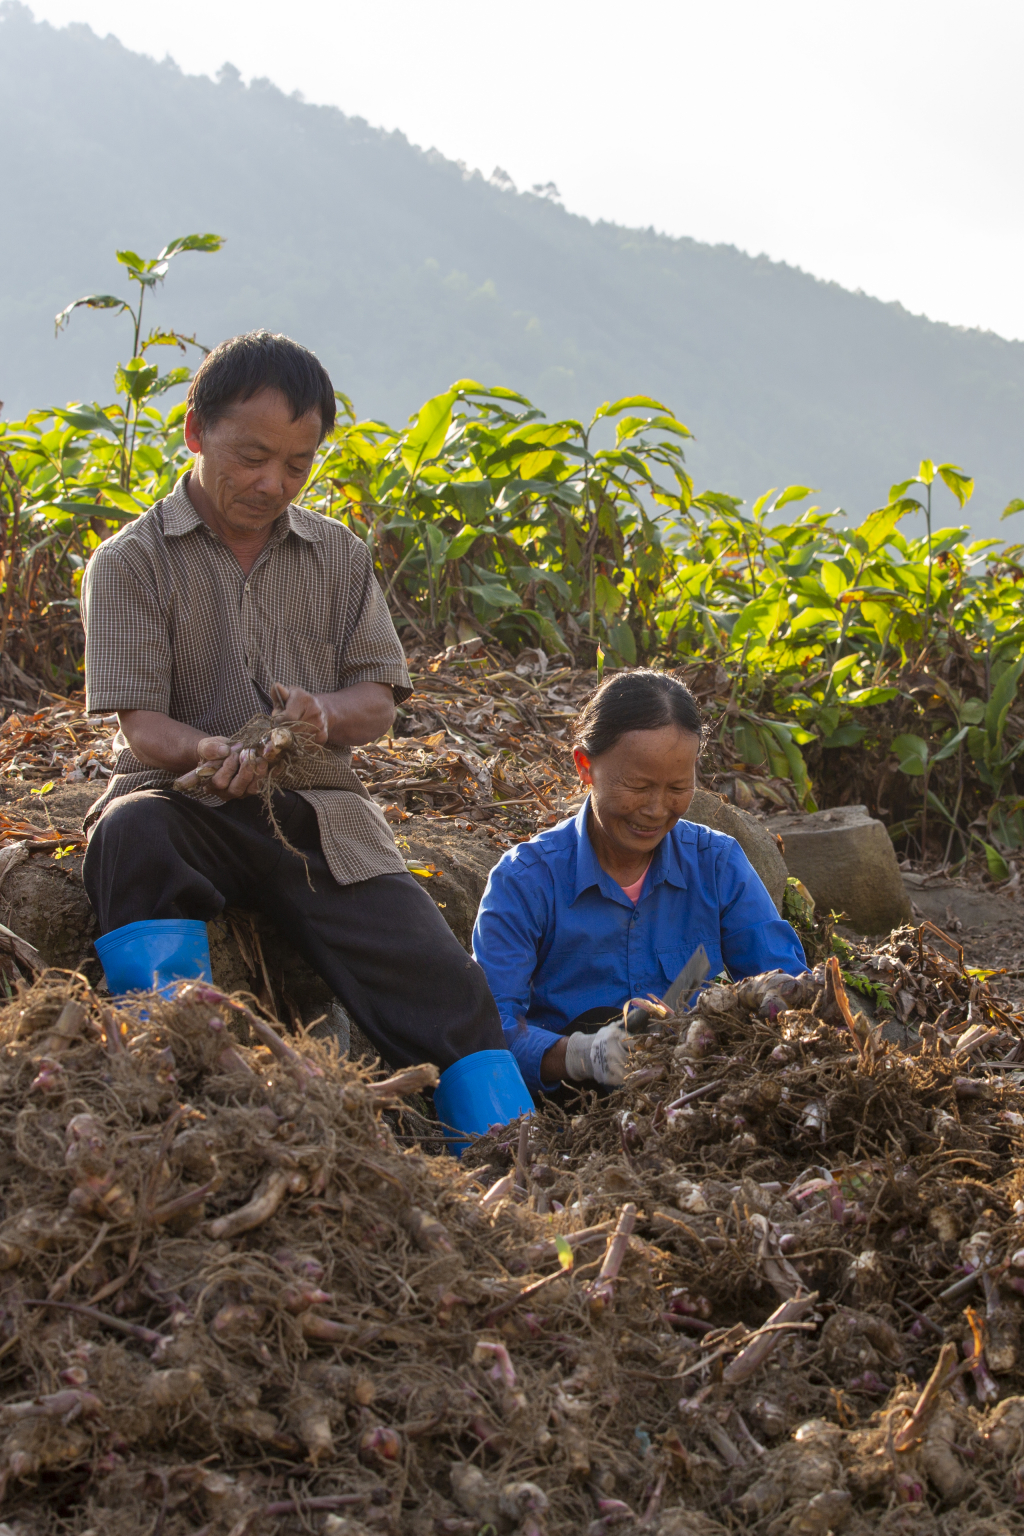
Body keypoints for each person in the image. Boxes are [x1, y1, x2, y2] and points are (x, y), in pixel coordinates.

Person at [80, 329, 532, 1138]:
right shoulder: (130, 562)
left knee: (448, 989)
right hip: (184, 803)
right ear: (195, 433)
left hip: (320, 814)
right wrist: (209, 751)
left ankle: (509, 1152)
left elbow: (377, 704)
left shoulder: (338, 556)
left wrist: (321, 715)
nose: (271, 482)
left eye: (297, 464)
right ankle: (172, 1078)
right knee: (129, 834)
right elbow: (142, 727)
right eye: (251, 456)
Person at [472, 669, 807, 1094]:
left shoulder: (717, 864)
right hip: (569, 1121)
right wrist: (580, 1055)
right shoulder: (524, 882)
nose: (655, 809)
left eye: (677, 788)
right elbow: (490, 1029)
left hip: (696, 1099)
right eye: (637, 785)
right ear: (585, 766)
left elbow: (785, 983)